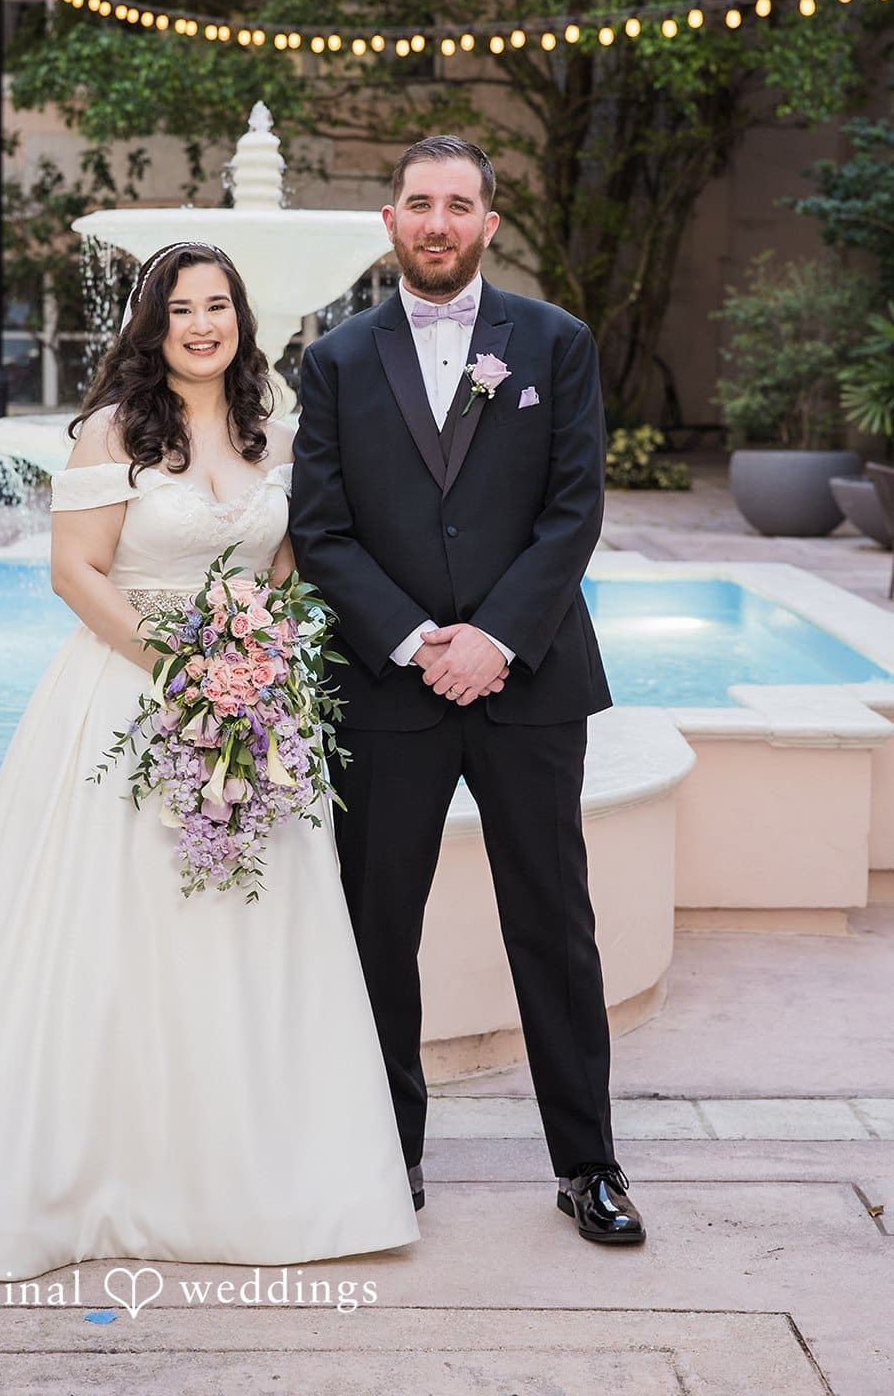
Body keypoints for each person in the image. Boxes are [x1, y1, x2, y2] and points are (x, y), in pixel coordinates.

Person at [0, 241, 418, 1280]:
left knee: (251, 935)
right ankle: (79, 1170)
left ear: (242, 320)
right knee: (108, 928)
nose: (202, 324)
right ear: (150, 326)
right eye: (180, 309)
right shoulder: (112, 430)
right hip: (126, 692)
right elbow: (77, 571)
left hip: (252, 705)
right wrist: (187, 665)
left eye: (218, 306)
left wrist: (254, 660)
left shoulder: (279, 436)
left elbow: (290, 569)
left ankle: (259, 1172)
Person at [289, 137, 645, 1245]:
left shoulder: (555, 342)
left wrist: (492, 637)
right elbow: (321, 530)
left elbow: (571, 509)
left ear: (488, 222)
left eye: (458, 205)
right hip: (383, 690)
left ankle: (587, 1164)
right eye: (417, 204)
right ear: (388, 222)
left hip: (525, 681)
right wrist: (408, 640)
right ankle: (384, 1155)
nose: (436, 222)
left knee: (552, 924)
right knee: (374, 927)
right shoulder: (335, 359)